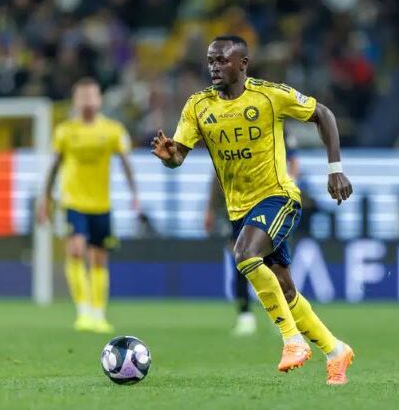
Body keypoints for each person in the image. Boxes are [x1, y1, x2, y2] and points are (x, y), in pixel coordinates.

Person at [151, 35, 354, 385]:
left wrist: (335, 169)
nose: (214, 67)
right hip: (238, 209)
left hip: (278, 196)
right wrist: (170, 158)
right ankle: (336, 351)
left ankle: (292, 341)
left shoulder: (269, 96)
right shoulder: (198, 106)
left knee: (244, 254)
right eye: (210, 61)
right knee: (284, 289)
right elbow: (179, 154)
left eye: (222, 60)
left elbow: (323, 114)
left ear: (242, 64)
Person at [37, 77, 139, 333]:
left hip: (102, 204)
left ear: (100, 99)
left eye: (92, 96)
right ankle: (83, 311)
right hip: (73, 202)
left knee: (98, 259)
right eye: (83, 97)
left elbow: (126, 162)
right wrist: (44, 199)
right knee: (75, 249)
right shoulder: (65, 131)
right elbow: (53, 167)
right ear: (75, 101)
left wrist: (134, 193)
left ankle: (98, 314)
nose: (88, 101)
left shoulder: (113, 130)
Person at [204, 129, 300, 337]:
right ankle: (245, 315)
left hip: (272, 203)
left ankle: (283, 317)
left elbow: (293, 161)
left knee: (276, 263)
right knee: (240, 259)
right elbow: (217, 172)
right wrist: (210, 208)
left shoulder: (278, 126)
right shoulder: (233, 127)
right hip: (240, 204)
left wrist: (287, 183)